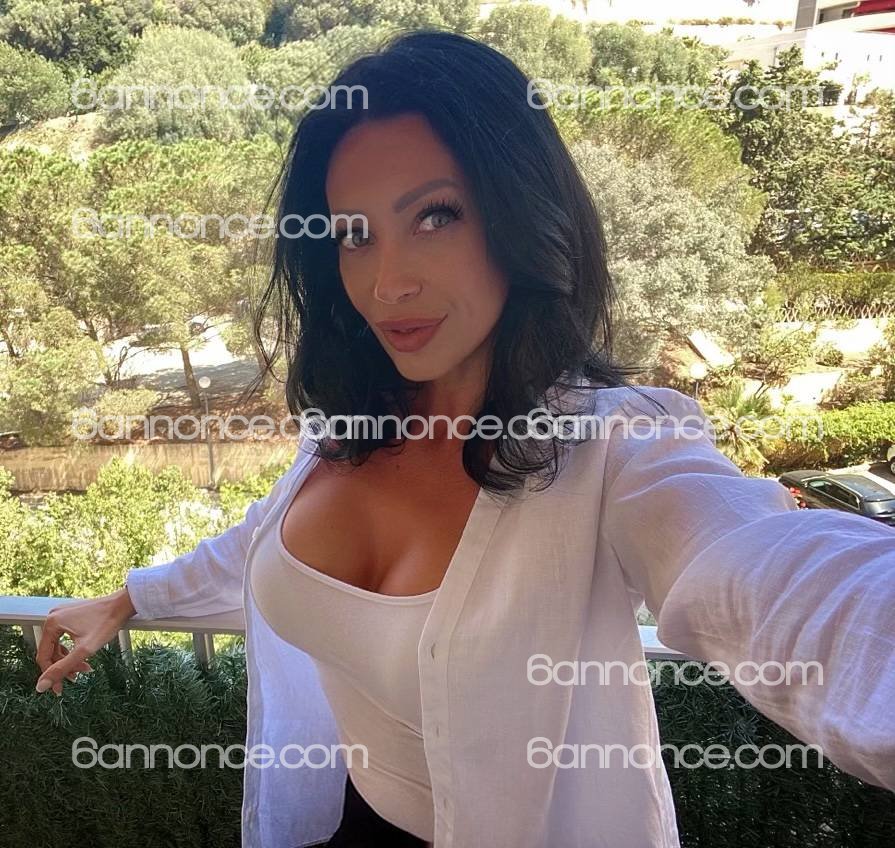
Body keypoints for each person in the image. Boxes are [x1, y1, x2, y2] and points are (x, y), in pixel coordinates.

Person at [34, 30, 895, 848]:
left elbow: (769, 572)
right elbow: (261, 536)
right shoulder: (348, 427)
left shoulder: (612, 446)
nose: (387, 283)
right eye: (354, 234)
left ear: (521, 218)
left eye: (435, 216)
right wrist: (132, 597)